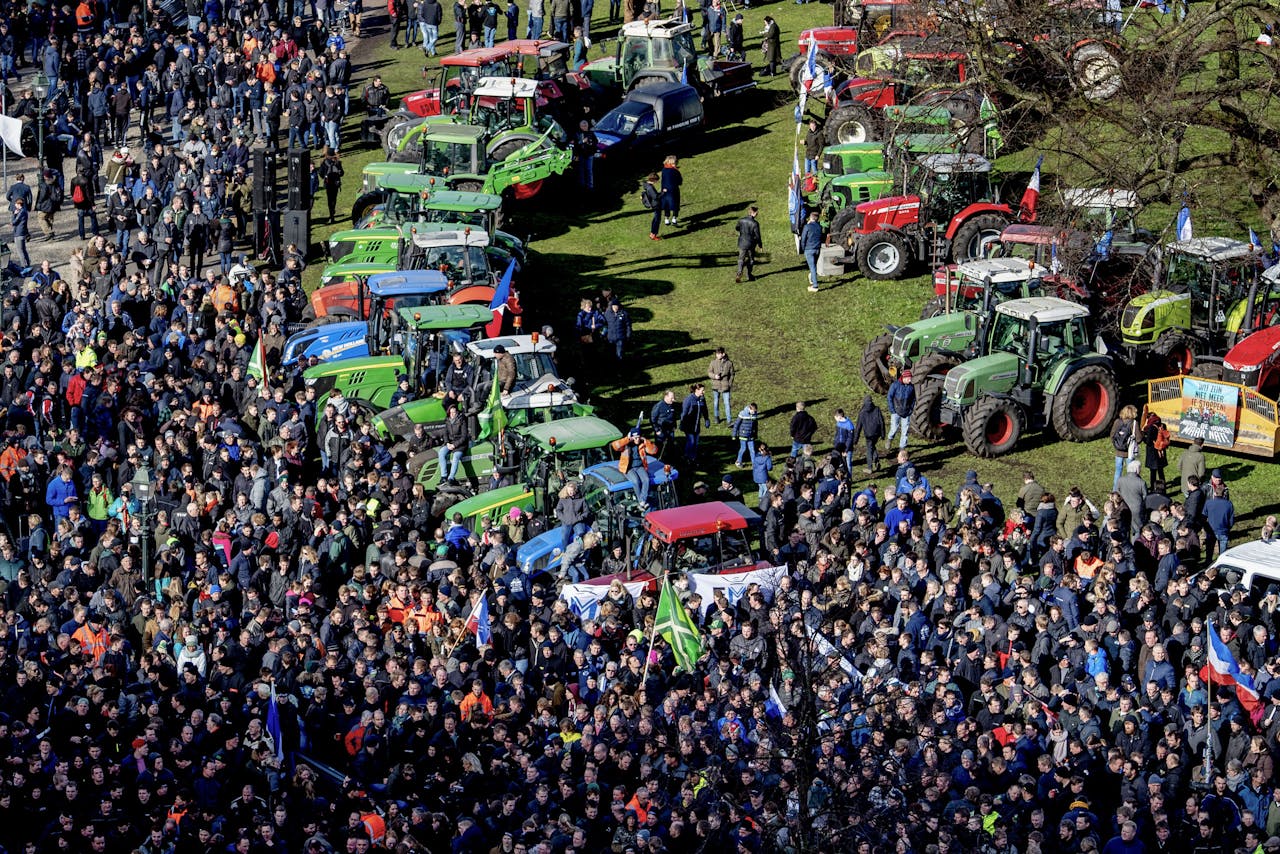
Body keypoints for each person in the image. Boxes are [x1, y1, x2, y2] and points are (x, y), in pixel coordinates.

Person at [611, 429, 657, 508]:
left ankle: (642, 500)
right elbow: (615, 445)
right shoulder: (626, 444)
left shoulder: (643, 443)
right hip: (628, 468)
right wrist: (627, 439)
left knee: (646, 480)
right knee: (636, 481)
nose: (637, 439)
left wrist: (646, 441)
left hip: (640, 466)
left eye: (638, 437)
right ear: (632, 437)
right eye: (635, 438)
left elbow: (654, 451)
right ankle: (641, 501)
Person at [437, 402, 470, 483]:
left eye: (454, 412)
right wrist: (447, 442)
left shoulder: (462, 421)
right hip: (450, 443)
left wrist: (454, 445)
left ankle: (451, 478)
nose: (452, 414)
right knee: (441, 452)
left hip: (460, 445)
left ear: (457, 412)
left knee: (456, 457)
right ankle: (444, 476)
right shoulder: (447, 420)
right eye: (451, 412)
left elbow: (464, 437)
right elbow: (445, 433)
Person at [852, 394, 885, 473]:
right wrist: (883, 434)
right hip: (877, 433)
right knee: (872, 446)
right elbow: (882, 422)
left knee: (869, 449)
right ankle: (876, 460)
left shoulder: (862, 412)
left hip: (868, 434)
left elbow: (858, 427)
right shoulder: (877, 409)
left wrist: (855, 440)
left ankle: (869, 467)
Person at [1111, 404, 1138, 491]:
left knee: (1118, 471)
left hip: (1118, 451)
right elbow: (1139, 438)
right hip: (1129, 453)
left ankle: (1115, 491)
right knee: (1130, 472)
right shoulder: (1134, 424)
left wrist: (1117, 445)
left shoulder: (1117, 422)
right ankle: (1128, 490)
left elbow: (1112, 435)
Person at [886, 369, 916, 450]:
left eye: (911, 378)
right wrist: (892, 410)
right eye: (909, 378)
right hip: (896, 412)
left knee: (905, 432)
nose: (910, 380)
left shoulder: (911, 387)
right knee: (894, 429)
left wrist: (910, 410)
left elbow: (913, 399)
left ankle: (902, 448)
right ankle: (890, 439)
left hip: (906, 413)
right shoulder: (895, 385)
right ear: (904, 378)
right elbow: (889, 397)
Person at [680, 383, 709, 462]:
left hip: (697, 425)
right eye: (702, 390)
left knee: (695, 442)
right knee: (691, 441)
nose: (704, 392)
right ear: (697, 390)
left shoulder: (702, 399)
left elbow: (705, 409)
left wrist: (706, 419)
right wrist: (682, 423)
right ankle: (686, 456)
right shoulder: (689, 399)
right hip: (689, 425)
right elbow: (684, 412)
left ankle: (693, 457)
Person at [734, 205, 762, 282]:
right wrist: (760, 245)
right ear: (753, 213)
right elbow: (758, 236)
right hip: (751, 244)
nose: (757, 214)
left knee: (741, 259)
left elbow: (737, 228)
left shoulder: (741, 220)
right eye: (756, 212)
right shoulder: (755, 223)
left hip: (741, 243)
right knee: (751, 259)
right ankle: (749, 275)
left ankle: (739, 273)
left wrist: (742, 231)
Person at [707, 346, 735, 421]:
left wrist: (729, 384)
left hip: (725, 386)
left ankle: (729, 420)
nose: (717, 355)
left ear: (723, 354)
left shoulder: (729, 363)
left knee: (727, 404)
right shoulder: (713, 363)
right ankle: (716, 417)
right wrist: (714, 376)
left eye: (719, 353)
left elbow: (732, 374)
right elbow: (709, 372)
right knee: (716, 403)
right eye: (717, 354)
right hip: (715, 386)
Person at [317, 148, 344, 222]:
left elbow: (320, 173)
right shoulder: (338, 162)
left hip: (328, 184)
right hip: (335, 183)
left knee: (329, 199)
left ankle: (331, 214)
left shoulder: (324, 162)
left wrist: (324, 177)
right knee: (334, 199)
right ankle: (332, 211)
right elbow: (342, 173)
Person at [799, 210, 823, 292]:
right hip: (817, 249)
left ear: (810, 217)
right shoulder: (819, 227)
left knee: (812, 267)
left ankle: (815, 286)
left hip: (809, 249)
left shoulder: (807, 227)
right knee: (814, 266)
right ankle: (812, 278)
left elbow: (803, 239)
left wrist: (802, 248)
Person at [731, 402, 758, 467]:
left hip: (751, 435)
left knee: (752, 450)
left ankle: (754, 464)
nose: (754, 413)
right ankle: (738, 461)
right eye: (753, 411)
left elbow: (755, 425)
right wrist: (734, 435)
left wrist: (755, 434)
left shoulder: (755, 414)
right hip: (743, 435)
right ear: (750, 409)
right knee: (743, 448)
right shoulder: (742, 413)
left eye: (755, 411)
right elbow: (736, 424)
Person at [574, 119, 597, 189]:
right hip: (581, 154)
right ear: (580, 126)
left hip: (589, 154)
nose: (585, 127)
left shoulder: (591, 133)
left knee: (589, 170)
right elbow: (576, 144)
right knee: (581, 170)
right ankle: (582, 184)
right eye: (583, 126)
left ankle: (590, 186)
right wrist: (583, 141)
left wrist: (591, 143)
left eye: (586, 125)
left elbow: (596, 141)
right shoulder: (578, 134)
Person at [660, 155, 682, 228]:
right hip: (674, 190)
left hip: (665, 191)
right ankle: (674, 218)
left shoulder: (663, 170)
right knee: (675, 204)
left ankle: (666, 219)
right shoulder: (675, 171)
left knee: (667, 205)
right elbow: (680, 181)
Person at [10, 196, 29, 269]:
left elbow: (13, 222)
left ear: (18, 204)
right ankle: (27, 263)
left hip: (19, 233)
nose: (15, 205)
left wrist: (14, 214)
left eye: (15, 204)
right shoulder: (24, 211)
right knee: (23, 250)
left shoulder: (20, 212)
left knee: (20, 251)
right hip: (22, 233)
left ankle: (24, 266)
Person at [643, 172, 663, 240]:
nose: (656, 182)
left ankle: (652, 233)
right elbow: (656, 197)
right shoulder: (650, 187)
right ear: (653, 180)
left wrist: (659, 192)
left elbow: (654, 195)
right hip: (656, 205)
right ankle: (654, 234)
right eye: (656, 180)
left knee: (655, 219)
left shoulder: (647, 185)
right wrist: (663, 192)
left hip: (654, 204)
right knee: (657, 220)